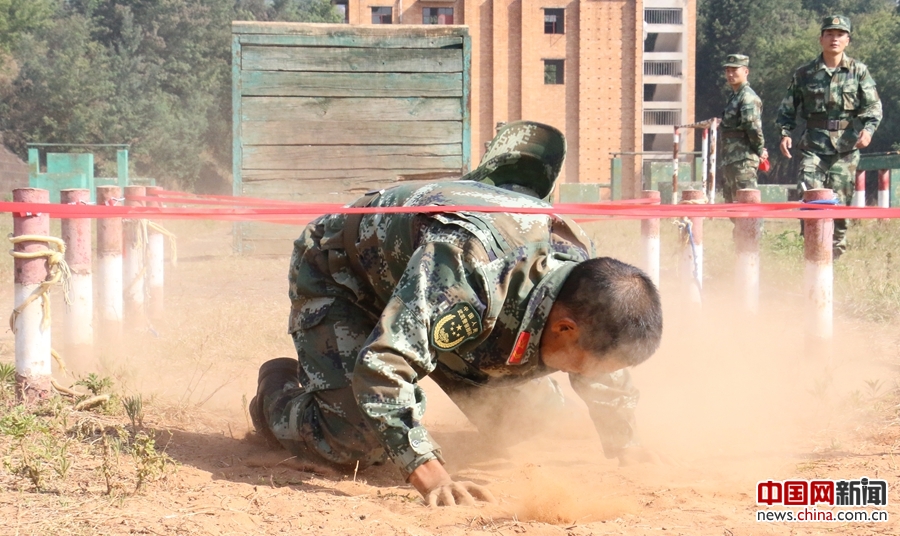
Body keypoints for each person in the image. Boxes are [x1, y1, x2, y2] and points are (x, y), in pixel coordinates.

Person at [249, 121, 664, 507]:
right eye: (590, 365)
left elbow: (604, 360)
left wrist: (625, 443)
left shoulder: (578, 272)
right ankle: (276, 389)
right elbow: (383, 365)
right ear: (565, 327)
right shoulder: (470, 267)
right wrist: (429, 473)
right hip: (346, 273)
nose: (593, 373)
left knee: (539, 430)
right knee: (355, 443)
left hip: (433, 290)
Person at [775, 14, 882, 258]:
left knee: (840, 198)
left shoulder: (858, 71)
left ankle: (836, 248)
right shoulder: (804, 74)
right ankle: (812, 243)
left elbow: (873, 108)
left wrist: (868, 130)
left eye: (840, 34)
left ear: (848, 40)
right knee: (811, 193)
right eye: (830, 33)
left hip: (845, 147)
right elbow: (787, 110)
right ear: (821, 38)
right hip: (814, 144)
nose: (835, 38)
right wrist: (785, 134)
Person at [719, 54, 767, 204]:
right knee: (732, 205)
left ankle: (754, 229)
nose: (730, 74)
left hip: (743, 160)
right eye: (727, 70)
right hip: (731, 159)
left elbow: (753, 128)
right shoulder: (735, 97)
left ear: (746, 71)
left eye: (734, 70)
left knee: (747, 206)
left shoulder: (748, 97)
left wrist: (759, 150)